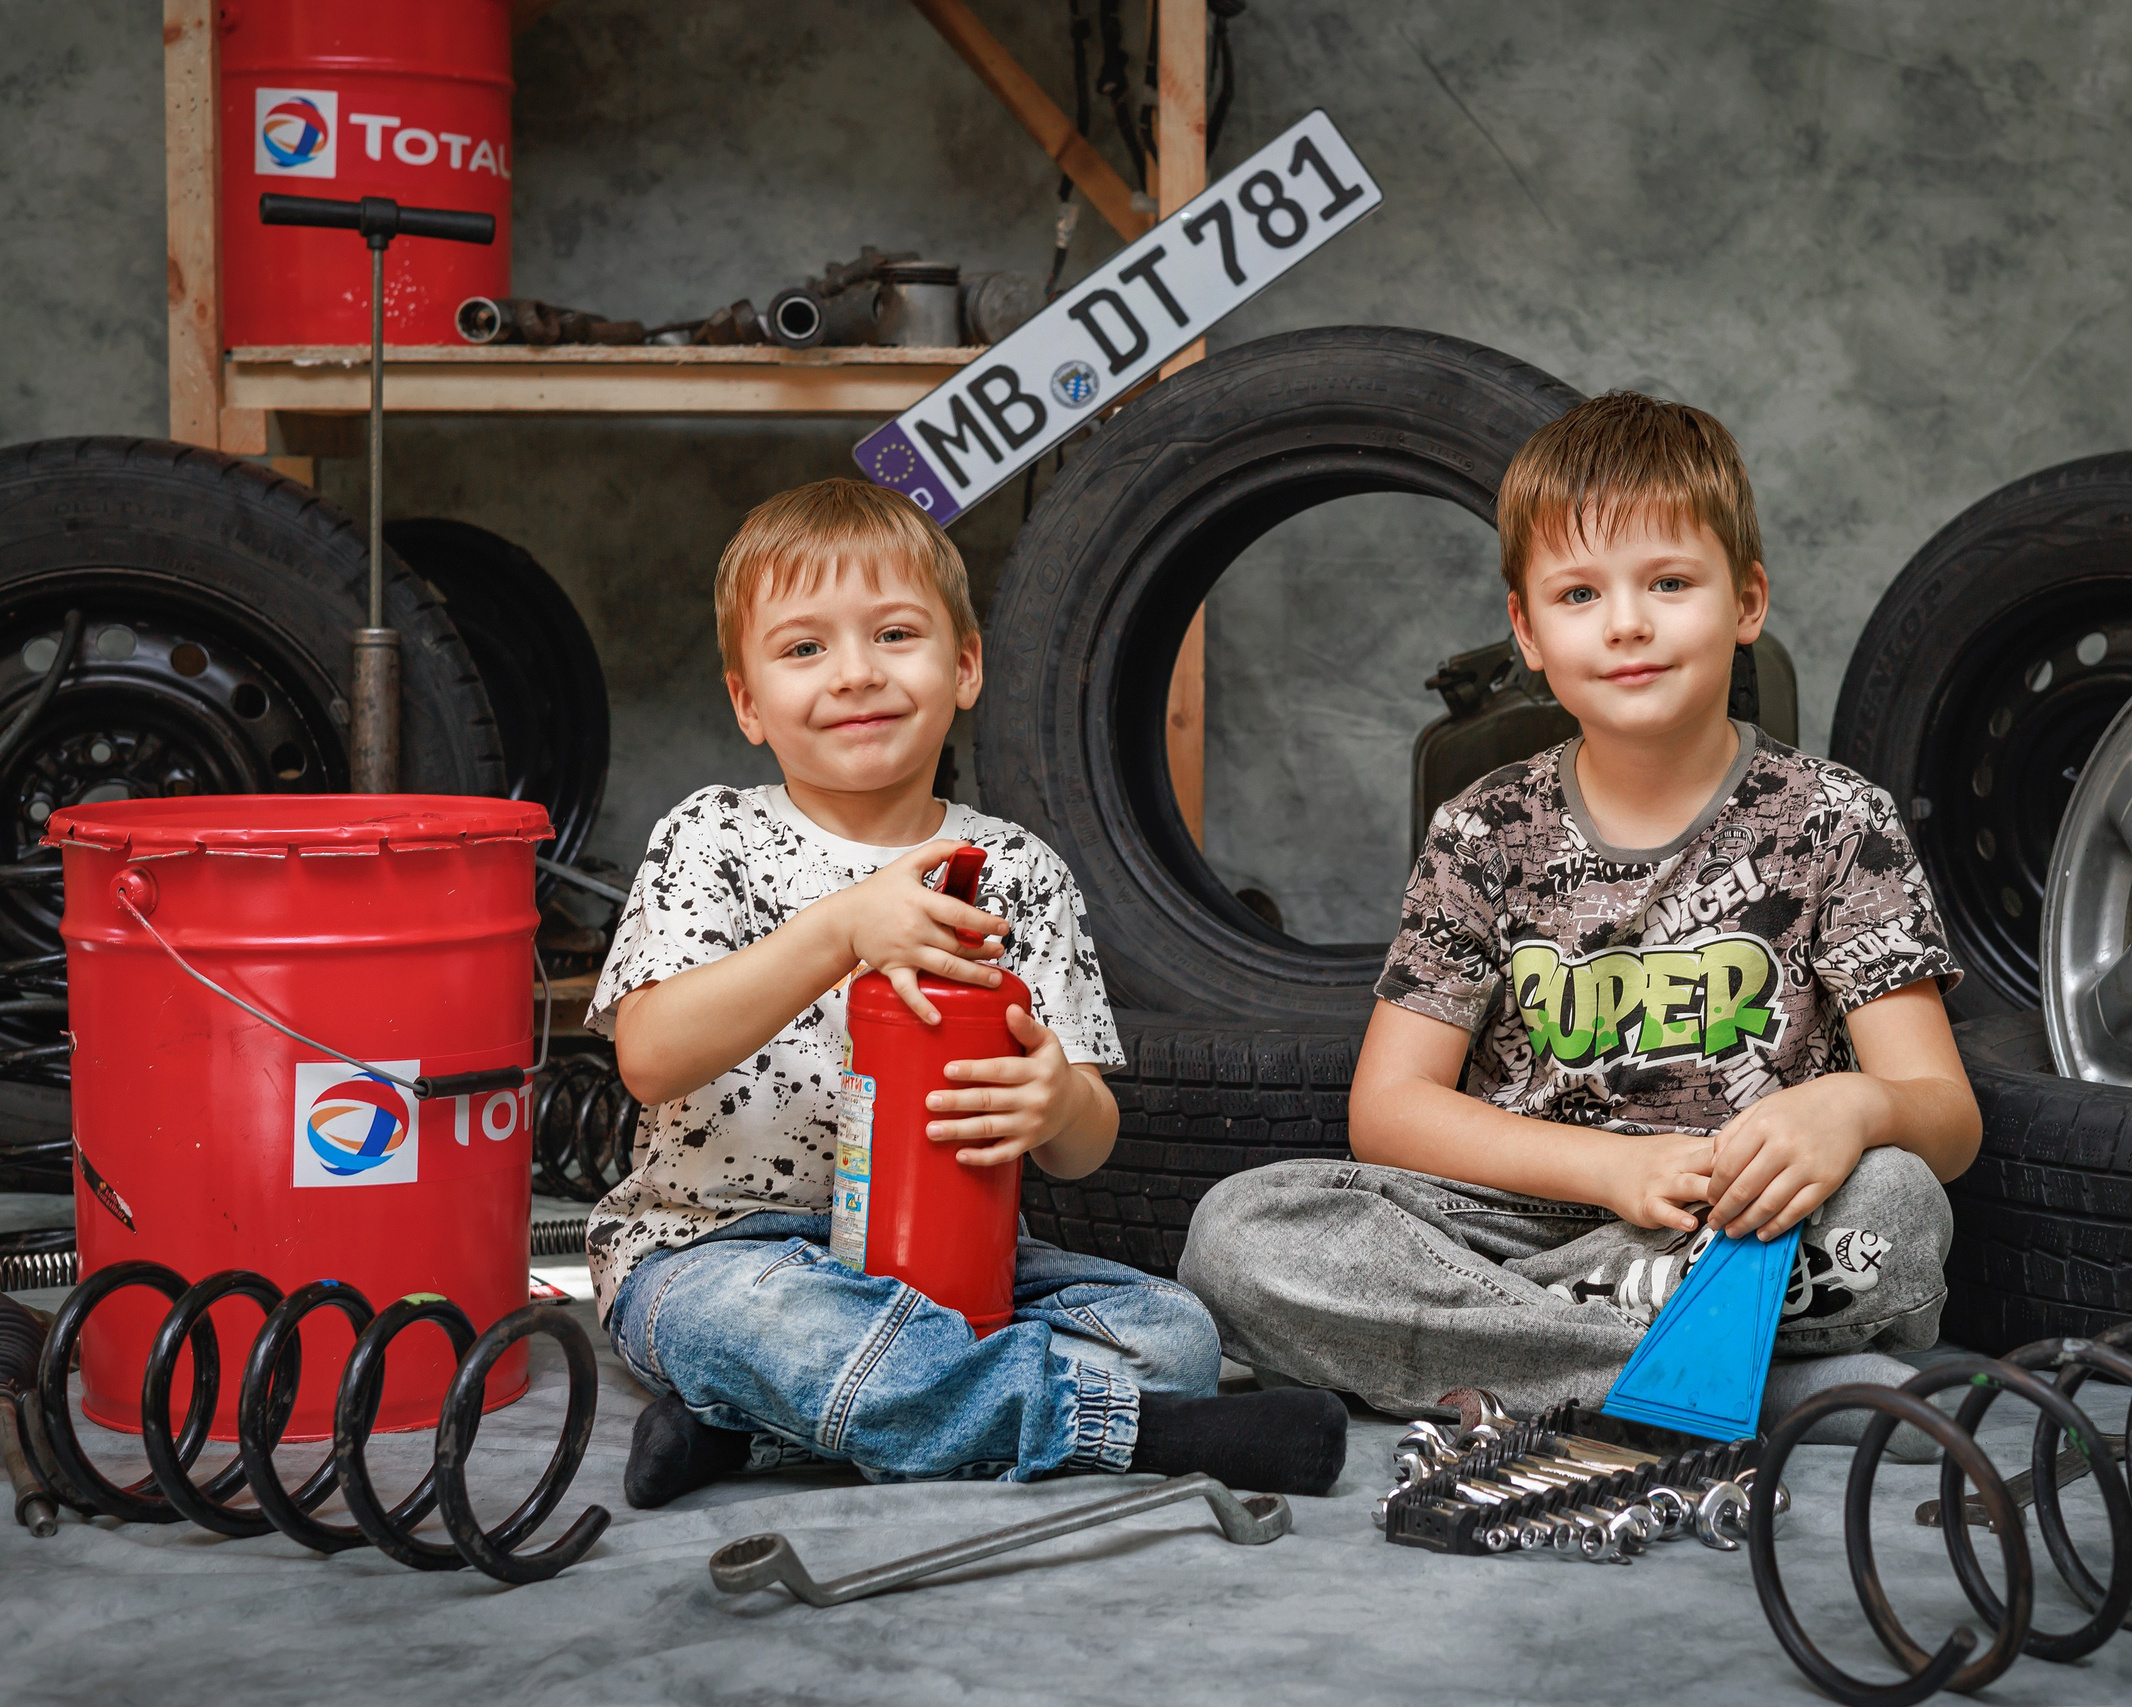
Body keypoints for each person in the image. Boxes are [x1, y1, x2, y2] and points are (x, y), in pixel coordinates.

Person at [1179, 393, 1981, 1430]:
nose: (1627, 623)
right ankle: (1751, 1387)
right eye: (1577, 595)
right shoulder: (1485, 830)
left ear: (1745, 602)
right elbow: (1388, 1110)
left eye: (1669, 583)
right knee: (1240, 1235)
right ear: (1525, 631)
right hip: (1506, 1228)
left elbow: (1943, 1115)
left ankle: (1542, 1362)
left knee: (1898, 1210)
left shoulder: (1836, 822)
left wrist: (1853, 1110)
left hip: (1738, 1227)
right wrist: (1609, 1167)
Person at [586, 477, 1346, 1507]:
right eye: (804, 649)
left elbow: (1085, 1142)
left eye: (894, 634)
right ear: (748, 703)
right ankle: (1135, 1436)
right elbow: (651, 1056)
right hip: (721, 1249)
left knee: (1176, 1335)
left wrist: (1057, 1101)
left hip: (962, 1260)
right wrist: (838, 929)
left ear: (966, 665)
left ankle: (757, 1432)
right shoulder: (712, 837)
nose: (854, 673)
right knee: (781, 1328)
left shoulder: (1017, 870)